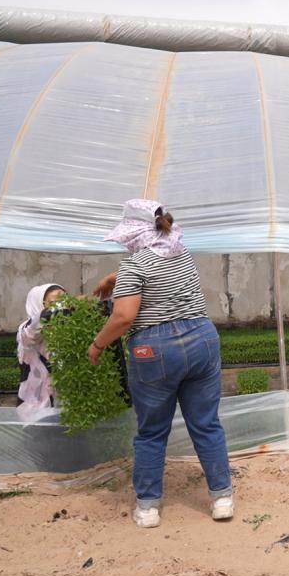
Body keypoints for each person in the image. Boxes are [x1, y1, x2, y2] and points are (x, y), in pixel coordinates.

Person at [88, 199, 233, 529]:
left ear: (133, 234)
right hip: (202, 339)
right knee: (207, 424)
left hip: (155, 349)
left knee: (152, 432)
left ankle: (149, 507)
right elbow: (157, 267)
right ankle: (222, 498)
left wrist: (97, 344)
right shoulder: (182, 252)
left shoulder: (134, 267)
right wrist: (118, 275)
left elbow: (124, 316)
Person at [16, 283, 66, 420]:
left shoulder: (64, 332)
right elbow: (33, 331)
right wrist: (52, 312)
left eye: (65, 301)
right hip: (36, 409)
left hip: (63, 408)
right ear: (38, 304)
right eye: (55, 303)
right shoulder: (26, 330)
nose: (63, 307)